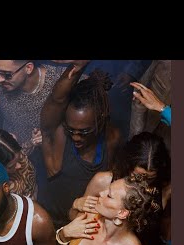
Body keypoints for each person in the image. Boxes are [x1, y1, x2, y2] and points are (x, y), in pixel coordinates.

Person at [67, 132, 171, 245]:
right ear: (128, 165)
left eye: (149, 178)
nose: (142, 183)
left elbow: (166, 220)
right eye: (137, 176)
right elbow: (75, 218)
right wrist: (76, 205)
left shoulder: (164, 188)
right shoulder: (104, 182)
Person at [39, 60, 123, 229]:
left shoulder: (112, 138)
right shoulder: (59, 135)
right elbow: (57, 99)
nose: (76, 137)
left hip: (88, 227)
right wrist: (77, 67)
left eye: (84, 131)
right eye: (71, 129)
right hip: (53, 224)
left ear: (100, 119)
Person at [0, 60, 68, 153]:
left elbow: (75, 117)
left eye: (8, 75)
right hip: (12, 152)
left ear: (28, 68)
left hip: (52, 152)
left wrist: (54, 131)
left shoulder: (60, 79)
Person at [0, 128, 38, 199]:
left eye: (20, 157)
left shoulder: (10, 151)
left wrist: (33, 142)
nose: (19, 166)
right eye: (11, 167)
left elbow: (23, 150)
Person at [129, 60, 171, 153]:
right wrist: (135, 139)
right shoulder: (165, 64)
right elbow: (139, 98)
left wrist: (163, 109)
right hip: (147, 127)